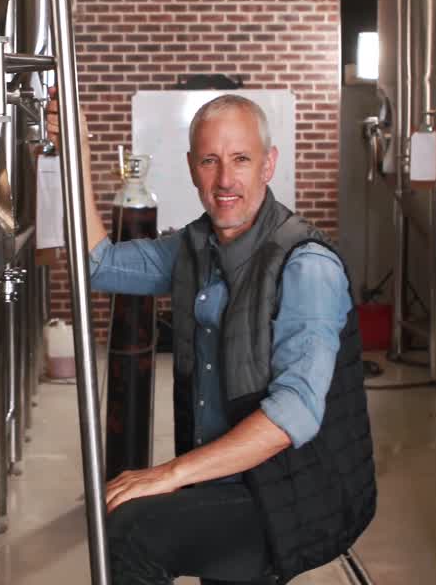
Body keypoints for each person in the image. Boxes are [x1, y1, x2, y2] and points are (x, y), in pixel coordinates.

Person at [50, 94, 376, 584]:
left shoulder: (307, 265)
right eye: (210, 161)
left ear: (268, 164)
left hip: (296, 492)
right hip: (230, 480)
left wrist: (170, 473)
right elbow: (99, 264)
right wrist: (76, 150)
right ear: (191, 167)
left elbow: (295, 413)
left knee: (130, 532)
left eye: (241, 159)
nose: (225, 180)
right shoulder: (194, 247)